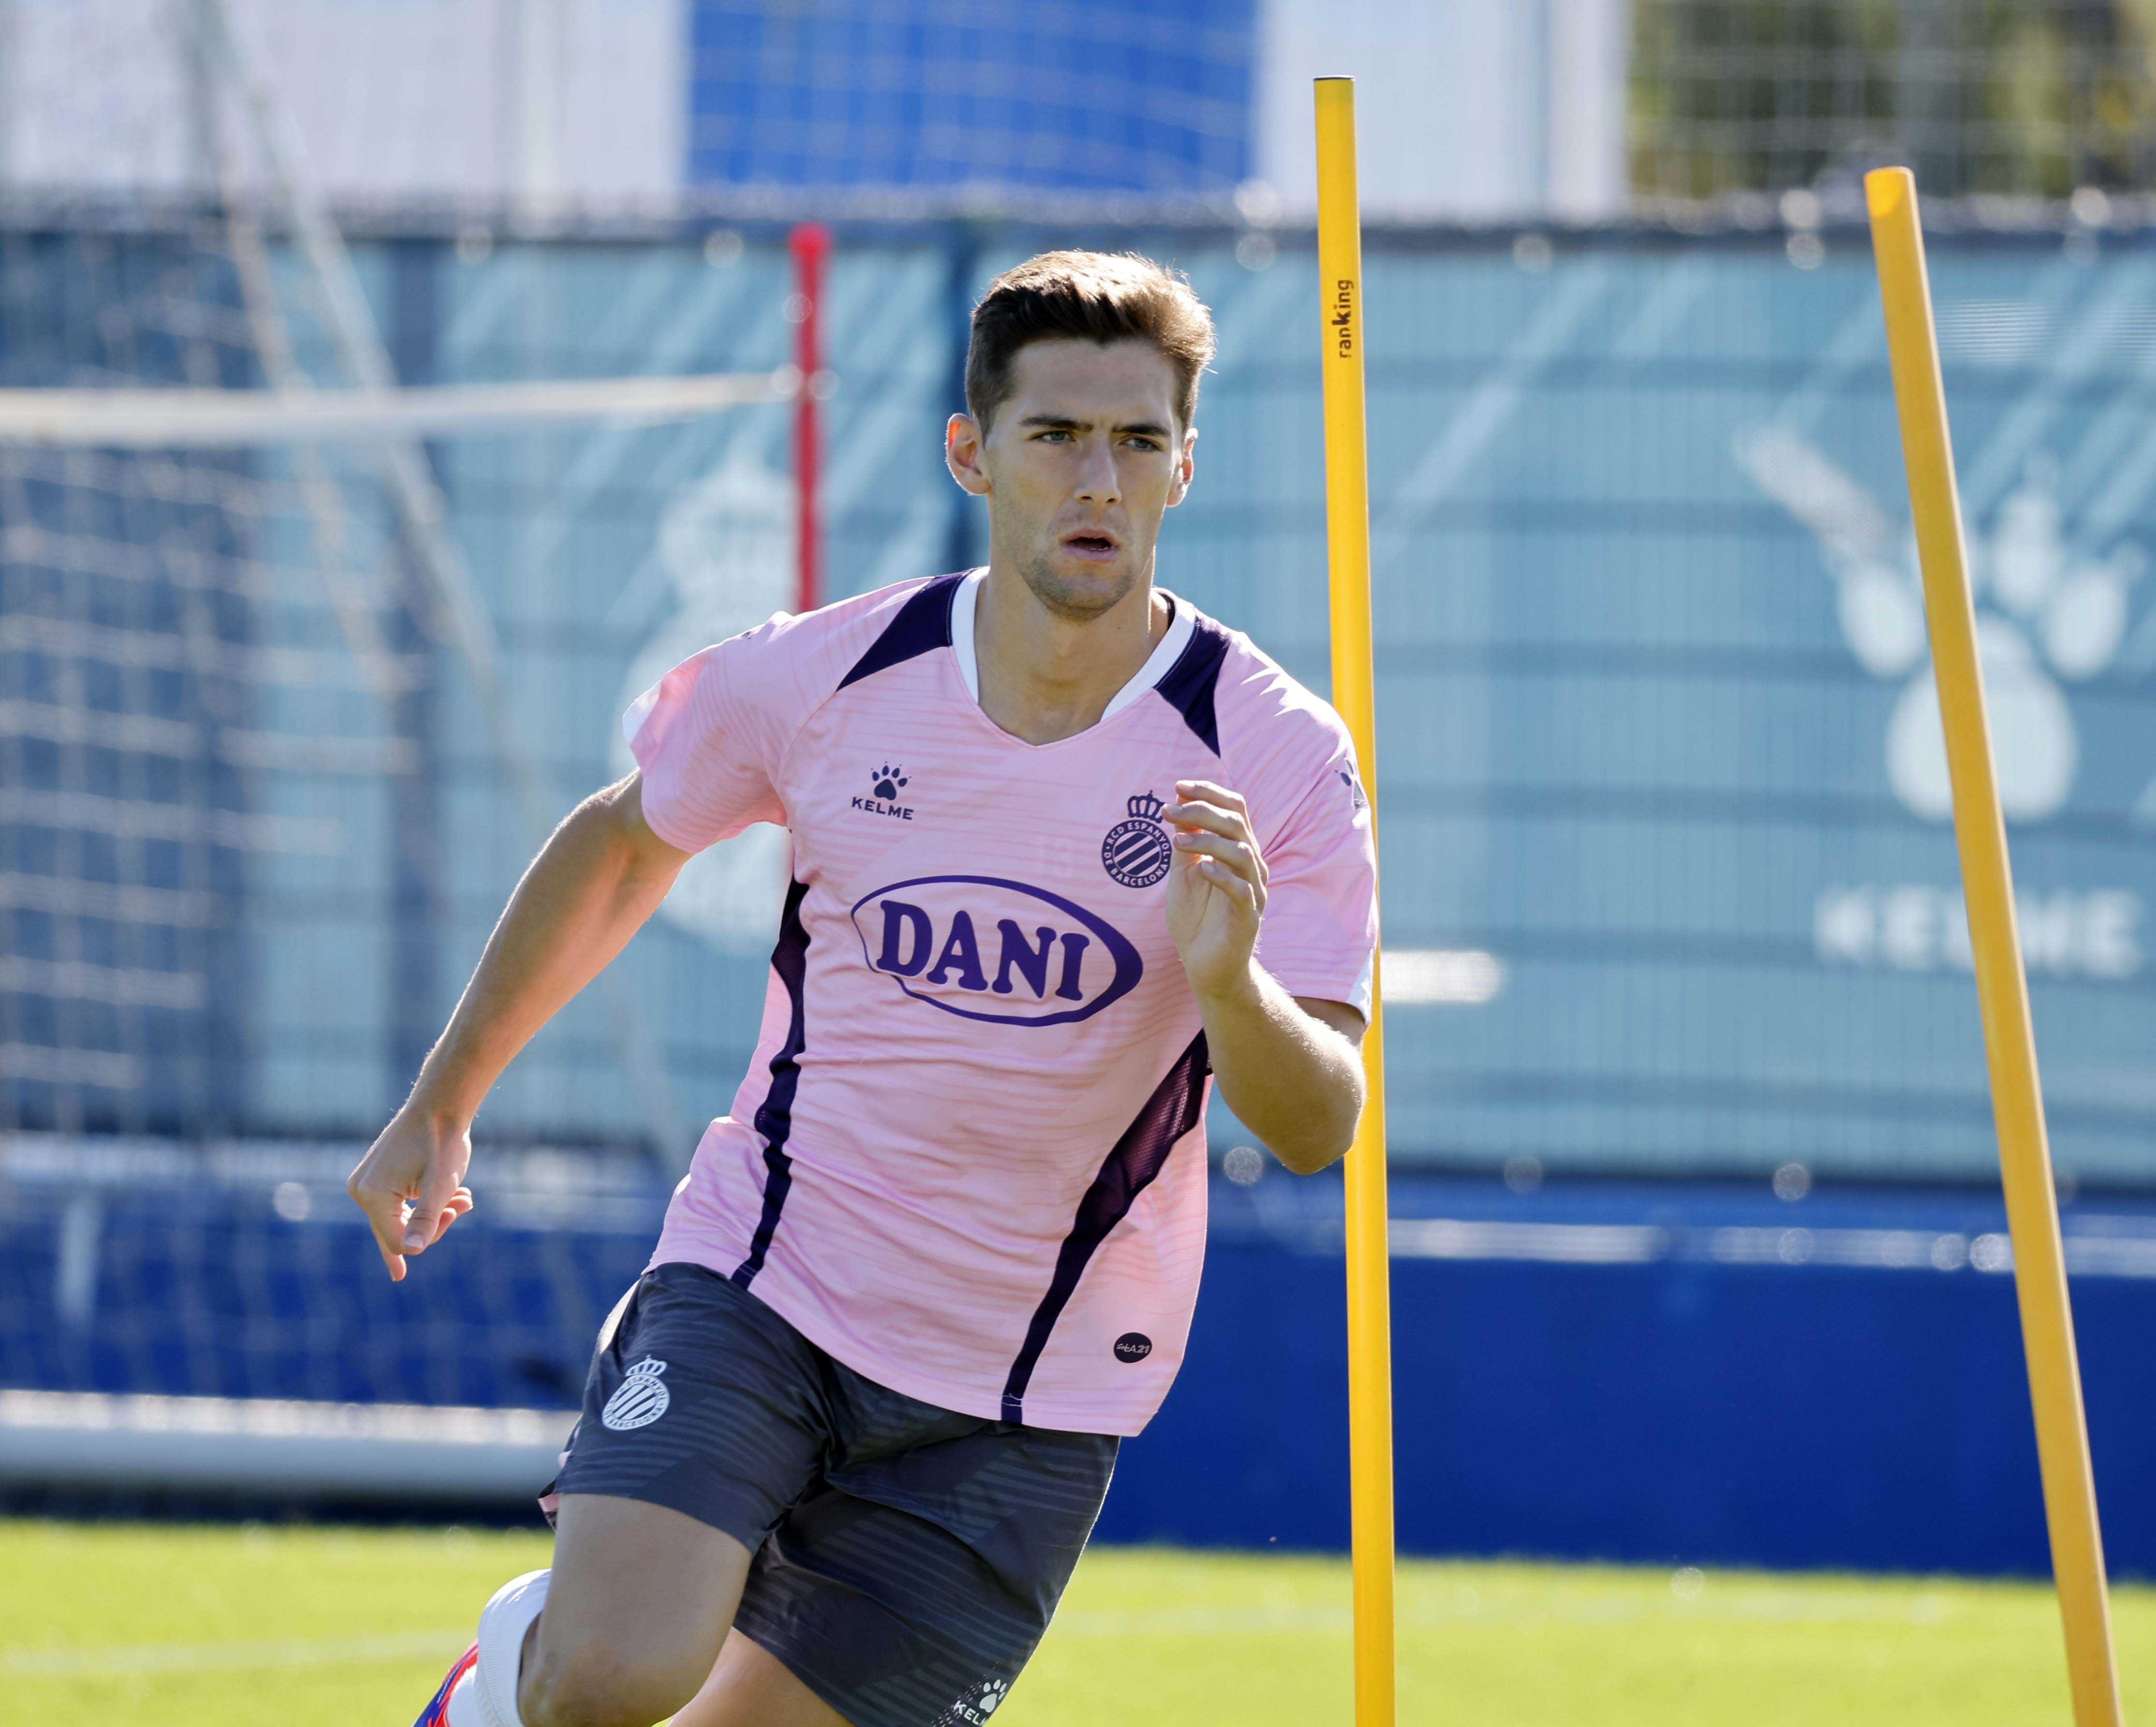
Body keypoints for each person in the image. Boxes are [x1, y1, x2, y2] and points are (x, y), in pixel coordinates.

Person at [359, 249, 1378, 1727]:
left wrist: (1229, 984)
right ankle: (513, 1666)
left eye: (1137, 441)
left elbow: (1316, 1122)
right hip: (769, 1281)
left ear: (1183, 467)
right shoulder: (831, 673)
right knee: (611, 1677)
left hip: (1032, 1385)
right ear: (973, 452)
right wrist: (443, 1102)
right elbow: (624, 841)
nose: (1097, 478)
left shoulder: (1273, 750)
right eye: (1055, 436)